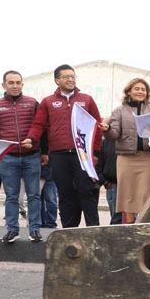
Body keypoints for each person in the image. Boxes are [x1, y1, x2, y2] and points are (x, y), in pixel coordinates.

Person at [22, 64, 102, 228]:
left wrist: (96, 153)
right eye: (66, 77)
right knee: (65, 194)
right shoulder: (48, 102)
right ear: (57, 80)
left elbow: (97, 126)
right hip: (58, 156)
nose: (70, 79)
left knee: (86, 192)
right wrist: (31, 138)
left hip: (83, 155)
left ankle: (93, 229)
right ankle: (69, 230)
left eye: (73, 76)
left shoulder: (86, 99)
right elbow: (38, 124)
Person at [0, 70, 43, 242]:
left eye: (18, 82)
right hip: (8, 158)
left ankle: (35, 229)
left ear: (22, 84)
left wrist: (45, 152)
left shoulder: (32, 103)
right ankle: (12, 229)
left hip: (32, 156)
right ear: (4, 85)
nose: (15, 86)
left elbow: (42, 127)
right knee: (11, 196)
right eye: (11, 82)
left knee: (34, 195)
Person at [98, 78, 150, 224]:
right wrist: (107, 130)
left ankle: (144, 225)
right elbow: (114, 135)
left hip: (147, 158)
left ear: (147, 93)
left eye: (143, 89)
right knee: (128, 194)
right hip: (126, 158)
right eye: (137, 89)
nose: (140, 91)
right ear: (129, 92)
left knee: (146, 194)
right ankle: (129, 225)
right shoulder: (119, 111)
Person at [95, 135, 123, 225]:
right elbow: (98, 165)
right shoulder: (105, 143)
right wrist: (105, 182)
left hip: (128, 182)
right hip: (112, 183)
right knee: (116, 216)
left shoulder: (129, 140)